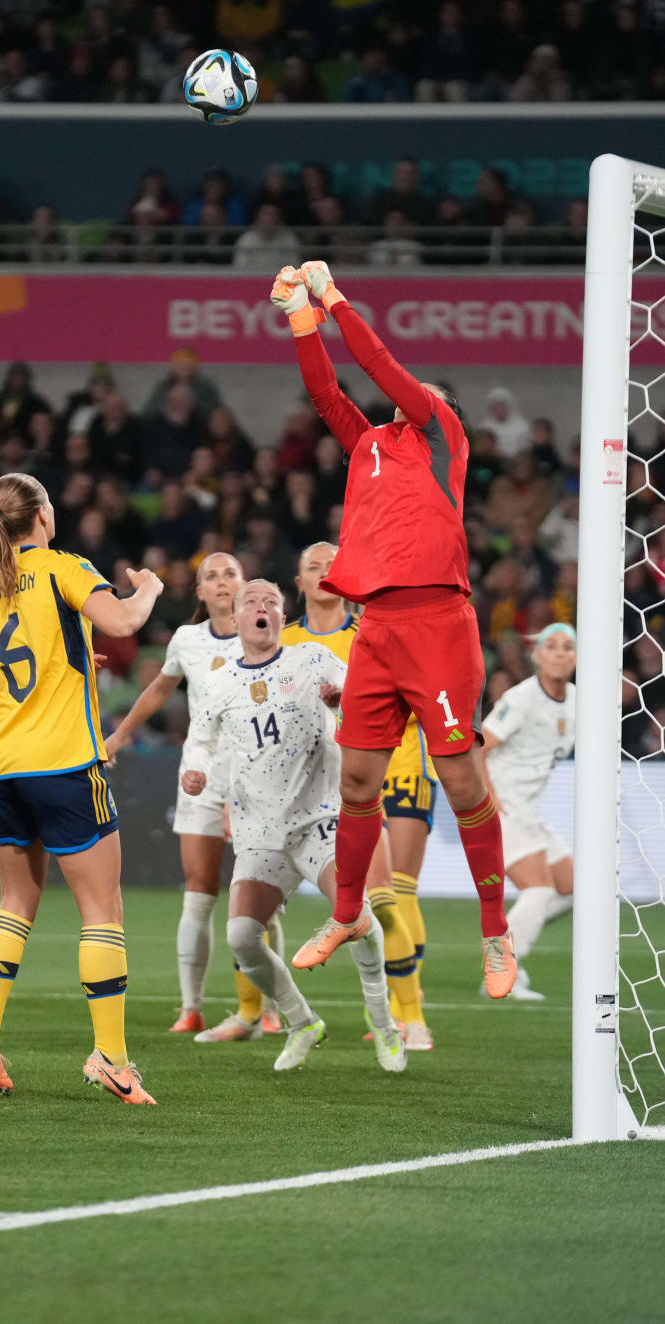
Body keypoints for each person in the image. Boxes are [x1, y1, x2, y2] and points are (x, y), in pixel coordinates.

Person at [272, 260, 516, 997]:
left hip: (439, 623)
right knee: (356, 781)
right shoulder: (367, 447)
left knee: (461, 775)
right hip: (377, 626)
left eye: (416, 395)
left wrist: (335, 297)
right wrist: (299, 318)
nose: (402, 401)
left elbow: (379, 365)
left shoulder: (440, 433)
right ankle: (346, 913)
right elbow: (325, 392)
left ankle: (497, 933)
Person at [0, 472, 164, 1104]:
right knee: (102, 910)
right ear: (43, 515)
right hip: (66, 761)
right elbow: (126, 622)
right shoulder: (62, 567)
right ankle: (111, 1058)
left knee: (14, 903)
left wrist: (57, 664)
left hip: (3, 763)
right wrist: (150, 587)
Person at [181, 580, 405, 1073]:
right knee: (241, 935)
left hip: (320, 820)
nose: (262, 609)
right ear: (235, 618)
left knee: (357, 917)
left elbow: (363, 701)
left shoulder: (312, 660)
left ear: (283, 617)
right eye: (252, 603)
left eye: (272, 603)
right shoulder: (220, 682)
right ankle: (302, 1021)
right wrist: (193, 769)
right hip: (259, 832)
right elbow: (199, 739)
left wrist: (340, 701)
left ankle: (385, 1025)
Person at [105, 552, 281, 1042]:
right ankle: (192, 1007)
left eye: (231, 574)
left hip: (261, 781)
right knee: (199, 891)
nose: (222, 582)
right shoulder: (188, 641)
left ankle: (268, 1006)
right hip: (202, 779)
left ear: (247, 587)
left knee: (262, 900)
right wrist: (118, 738)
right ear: (199, 592)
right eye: (212, 576)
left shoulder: (274, 640)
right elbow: (160, 691)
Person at [281, 541, 432, 1050]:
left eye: (333, 565)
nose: (325, 573)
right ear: (297, 582)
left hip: (388, 773)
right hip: (311, 790)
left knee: (390, 897)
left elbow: (414, 695)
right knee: (256, 906)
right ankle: (255, 1011)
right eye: (313, 567)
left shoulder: (373, 630)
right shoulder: (285, 644)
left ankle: (412, 1017)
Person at [482, 624, 576, 1000]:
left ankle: (506, 939)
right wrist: (489, 801)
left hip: (531, 811)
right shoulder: (520, 699)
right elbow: (477, 748)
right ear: (536, 656)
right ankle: (504, 970)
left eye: (568, 647)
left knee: (574, 890)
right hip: (503, 808)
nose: (559, 653)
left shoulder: (576, 700)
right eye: (550, 646)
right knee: (538, 890)